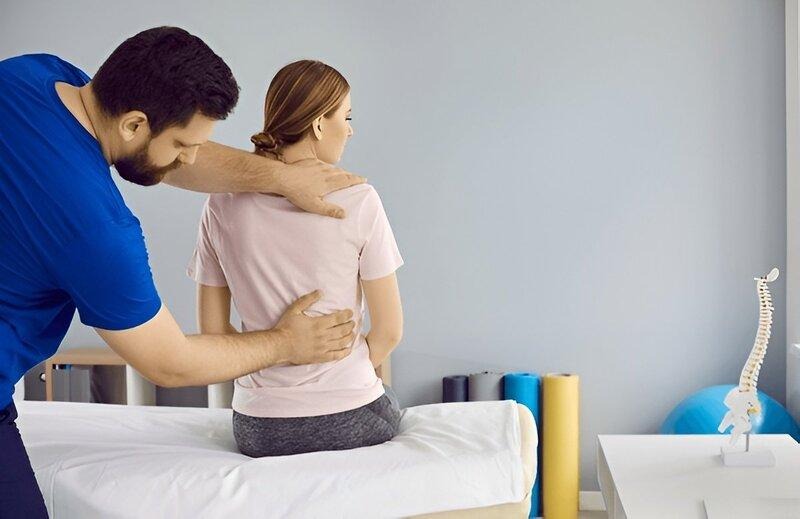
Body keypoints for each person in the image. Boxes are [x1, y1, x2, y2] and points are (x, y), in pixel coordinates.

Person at [0, 27, 366, 516]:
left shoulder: (32, 76)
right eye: (181, 144)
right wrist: (287, 343)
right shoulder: (98, 233)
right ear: (134, 124)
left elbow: (174, 158)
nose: (189, 158)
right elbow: (170, 363)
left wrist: (280, 177)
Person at [188, 60, 404, 457]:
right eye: (346, 117)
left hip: (259, 427)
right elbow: (389, 331)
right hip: (350, 412)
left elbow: (213, 332)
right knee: (389, 401)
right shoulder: (358, 199)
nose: (350, 129)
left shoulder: (220, 203)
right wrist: (341, 376)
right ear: (319, 124)